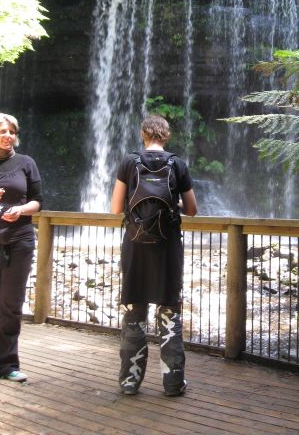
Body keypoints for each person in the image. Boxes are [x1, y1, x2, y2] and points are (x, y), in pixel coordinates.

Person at [110, 114, 197, 397]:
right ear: (166, 136)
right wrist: (175, 203)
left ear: (143, 134)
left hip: (135, 246)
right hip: (167, 248)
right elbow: (193, 209)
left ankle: (129, 382)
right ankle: (173, 384)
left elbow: (115, 208)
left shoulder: (128, 162)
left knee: (134, 311)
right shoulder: (178, 164)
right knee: (169, 311)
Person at [0, 113, 42, 383]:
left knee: (10, 305)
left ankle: (7, 364)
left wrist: (21, 209)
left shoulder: (26, 163)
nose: (7, 135)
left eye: (11, 131)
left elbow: (38, 201)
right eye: (1, 130)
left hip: (19, 240)